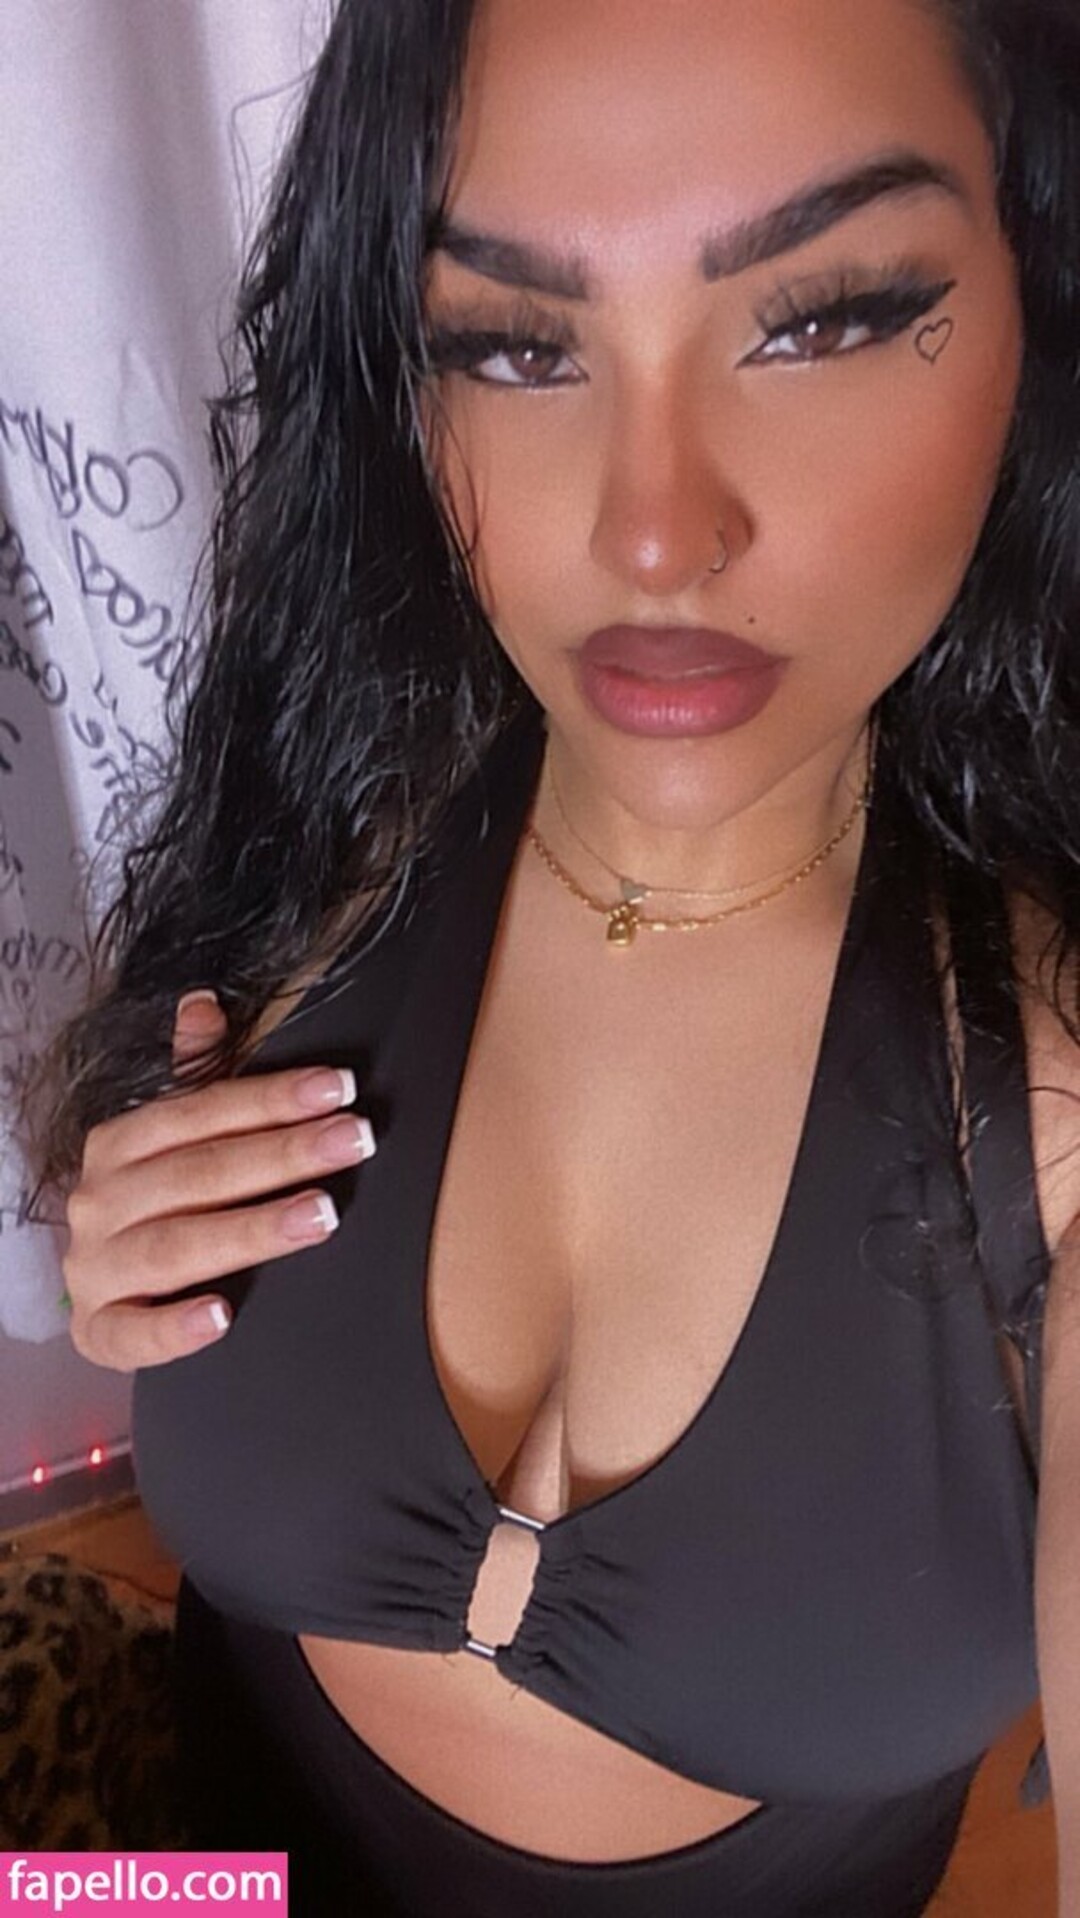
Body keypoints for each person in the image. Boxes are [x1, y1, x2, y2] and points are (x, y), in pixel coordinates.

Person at [38, 0, 1080, 1911]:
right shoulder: (346, 824)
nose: (652, 534)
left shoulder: (1055, 1107)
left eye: (824, 318)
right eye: (514, 345)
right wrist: (123, 1263)